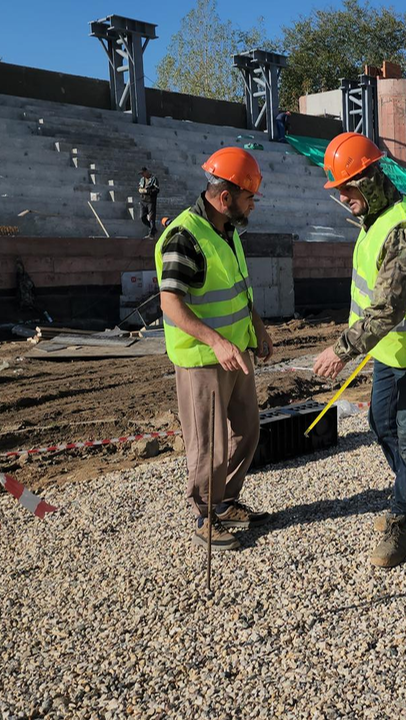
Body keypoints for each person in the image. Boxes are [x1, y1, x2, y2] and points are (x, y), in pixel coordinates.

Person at [312, 132, 406, 569]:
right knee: (379, 420)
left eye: (346, 188)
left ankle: (401, 516)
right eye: (339, 190)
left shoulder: (403, 231)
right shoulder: (377, 220)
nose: (343, 197)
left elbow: (389, 308)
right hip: (390, 350)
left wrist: (341, 350)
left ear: (368, 179)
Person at [154, 147, 274, 551]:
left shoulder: (227, 230)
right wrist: (216, 341)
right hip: (203, 360)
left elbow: (239, 288)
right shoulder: (184, 236)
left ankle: (224, 503)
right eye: (249, 198)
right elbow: (171, 302)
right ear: (225, 197)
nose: (253, 205)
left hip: (236, 351)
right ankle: (205, 514)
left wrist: (256, 326)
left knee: (247, 430)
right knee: (209, 446)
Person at [138, 167, 160, 238]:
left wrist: (148, 191)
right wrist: (140, 190)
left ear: (147, 171)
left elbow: (157, 190)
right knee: (142, 217)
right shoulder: (142, 180)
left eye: (143, 173)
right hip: (143, 201)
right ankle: (153, 229)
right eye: (141, 174)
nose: (142, 175)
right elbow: (139, 187)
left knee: (151, 218)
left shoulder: (154, 179)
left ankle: (151, 234)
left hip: (151, 201)